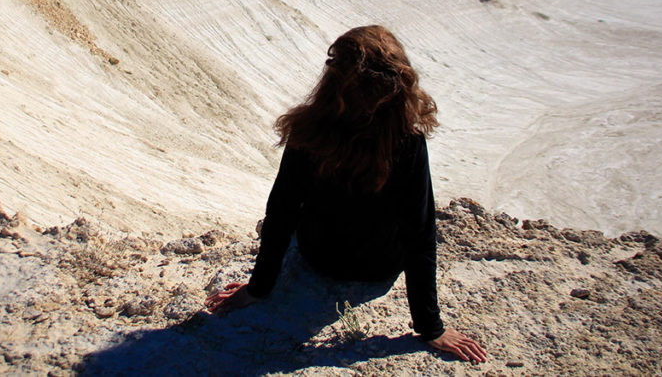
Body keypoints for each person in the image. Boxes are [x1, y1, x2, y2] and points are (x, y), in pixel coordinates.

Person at [204, 25, 487, 364]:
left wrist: (259, 287)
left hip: (318, 257)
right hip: (377, 268)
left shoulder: (308, 132)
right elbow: (420, 232)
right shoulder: (407, 143)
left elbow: (282, 212)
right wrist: (431, 327)